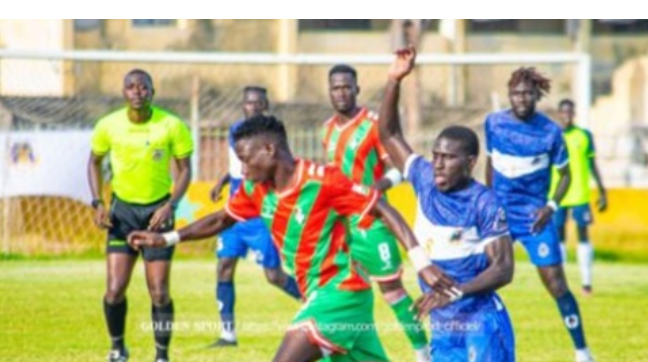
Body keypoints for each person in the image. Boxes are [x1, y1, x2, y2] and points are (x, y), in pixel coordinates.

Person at [127, 115, 461, 362]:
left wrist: (422, 262)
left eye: (245, 159)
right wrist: (168, 238)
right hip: (325, 296)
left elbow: (382, 208)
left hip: (340, 293)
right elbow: (221, 218)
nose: (241, 170)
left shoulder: (323, 181)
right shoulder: (257, 191)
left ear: (270, 150)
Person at [379, 46, 516, 362]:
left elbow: (504, 269)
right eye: (436, 156)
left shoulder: (484, 202)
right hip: (444, 323)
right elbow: (388, 134)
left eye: (449, 158)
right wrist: (394, 80)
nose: (438, 164)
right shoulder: (423, 177)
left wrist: (454, 292)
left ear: (469, 162)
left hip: (481, 320)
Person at [484, 67, 594, 362]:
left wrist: (551, 207)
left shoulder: (550, 131)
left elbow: (566, 176)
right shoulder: (494, 123)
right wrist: (487, 202)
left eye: (528, 93)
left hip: (535, 217)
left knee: (556, 283)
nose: (522, 98)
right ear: (509, 95)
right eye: (517, 93)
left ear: (537, 95)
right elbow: (490, 164)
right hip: (501, 217)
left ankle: (582, 351)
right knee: (478, 277)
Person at [322, 64, 429, 361]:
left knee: (393, 292)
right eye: (335, 87)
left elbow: (399, 169)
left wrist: (376, 187)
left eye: (346, 86)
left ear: (356, 89)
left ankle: (424, 353)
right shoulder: (327, 129)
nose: (341, 92)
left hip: (372, 222)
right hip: (341, 229)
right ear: (329, 91)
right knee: (344, 294)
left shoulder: (373, 124)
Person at [88, 69, 193, 362]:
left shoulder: (171, 125)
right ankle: (118, 348)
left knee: (159, 291)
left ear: (152, 92)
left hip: (158, 213)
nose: (137, 92)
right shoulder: (108, 126)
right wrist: (97, 202)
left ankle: (161, 356)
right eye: (131, 87)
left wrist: (170, 205)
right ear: (124, 93)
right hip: (122, 214)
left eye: (143, 87)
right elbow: (94, 162)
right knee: (114, 289)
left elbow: (185, 170)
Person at [207, 86, 301, 347]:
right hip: (235, 212)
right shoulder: (234, 131)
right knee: (224, 267)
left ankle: (313, 302)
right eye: (250, 102)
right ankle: (228, 334)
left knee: (274, 276)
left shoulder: (273, 138)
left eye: (259, 103)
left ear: (266, 105)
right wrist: (222, 181)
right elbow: (240, 165)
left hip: (258, 215)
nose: (254, 107)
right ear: (243, 105)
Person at [550, 99, 608, 296]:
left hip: (580, 194)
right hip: (557, 195)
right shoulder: (552, 136)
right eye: (563, 112)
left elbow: (592, 165)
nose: (566, 116)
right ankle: (561, 284)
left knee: (583, 234)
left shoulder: (584, 136)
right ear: (559, 113)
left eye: (570, 112)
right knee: (559, 238)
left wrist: (602, 191)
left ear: (573, 114)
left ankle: (586, 283)